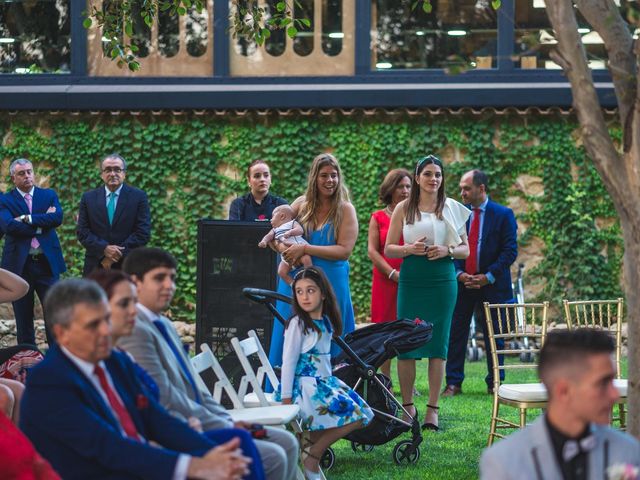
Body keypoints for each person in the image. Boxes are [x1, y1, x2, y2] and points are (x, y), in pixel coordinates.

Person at [20, 278, 253, 480]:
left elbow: (156, 419)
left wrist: (211, 454)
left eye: (106, 320)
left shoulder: (114, 361)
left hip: (134, 467)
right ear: (61, 333)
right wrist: (195, 465)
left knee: (237, 458)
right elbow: (106, 446)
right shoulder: (49, 381)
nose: (104, 331)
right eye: (93, 324)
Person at [117, 247, 298, 480]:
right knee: (273, 456)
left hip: (205, 419)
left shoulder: (163, 323)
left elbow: (197, 390)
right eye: (159, 278)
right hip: (179, 430)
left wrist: (227, 419)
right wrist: (223, 425)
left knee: (288, 442)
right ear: (135, 282)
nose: (168, 286)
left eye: (172, 278)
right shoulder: (135, 330)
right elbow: (166, 396)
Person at [89, 268, 265, 479]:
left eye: (134, 302)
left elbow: (155, 412)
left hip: (165, 439)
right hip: (137, 460)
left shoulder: (120, 359)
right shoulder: (57, 381)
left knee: (238, 444)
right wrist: (195, 464)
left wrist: (199, 432)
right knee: (242, 448)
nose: (134, 311)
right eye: (124, 304)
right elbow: (111, 445)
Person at [480, 328, 640, 479]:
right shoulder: (504, 462)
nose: (614, 394)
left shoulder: (628, 452)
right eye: (602, 383)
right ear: (563, 391)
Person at [384, 155, 470, 431]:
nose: (434, 179)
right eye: (428, 174)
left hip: (443, 279)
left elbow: (466, 249)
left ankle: (433, 409)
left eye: (438, 175)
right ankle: (408, 406)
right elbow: (388, 249)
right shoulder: (403, 208)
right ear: (418, 177)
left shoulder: (453, 208)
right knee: (406, 342)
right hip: (412, 279)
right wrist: (409, 249)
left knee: (438, 344)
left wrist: (449, 250)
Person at [276, 267, 373, 480]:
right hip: (304, 387)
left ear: (323, 293)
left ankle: (311, 457)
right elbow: (288, 363)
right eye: (299, 291)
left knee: (363, 413)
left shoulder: (325, 323)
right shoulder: (297, 324)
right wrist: (285, 400)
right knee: (354, 416)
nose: (304, 296)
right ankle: (314, 456)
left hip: (323, 382)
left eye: (310, 290)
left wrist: (332, 381)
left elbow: (324, 360)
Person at [270, 153, 358, 365]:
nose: (330, 181)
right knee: (290, 335)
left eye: (334, 175)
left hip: (331, 283)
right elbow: (277, 234)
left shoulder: (345, 209)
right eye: (324, 176)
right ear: (314, 178)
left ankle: (333, 388)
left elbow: (345, 251)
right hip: (296, 281)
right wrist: (286, 249)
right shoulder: (301, 205)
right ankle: (286, 391)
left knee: (332, 336)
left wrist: (305, 248)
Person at [443, 170, 518, 397]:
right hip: (463, 284)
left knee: (494, 335)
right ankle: (453, 383)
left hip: (493, 285)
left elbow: (509, 251)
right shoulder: (457, 214)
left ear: (481, 189)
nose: (462, 193)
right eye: (461, 188)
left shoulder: (503, 214)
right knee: (457, 333)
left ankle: (495, 382)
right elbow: (449, 247)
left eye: (466, 188)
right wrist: (458, 273)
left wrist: (488, 276)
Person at [0, 158, 66, 345]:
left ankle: (57, 360)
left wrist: (28, 218)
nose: (27, 176)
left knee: (54, 314)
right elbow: (9, 226)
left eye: (29, 172)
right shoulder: (5, 200)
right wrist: (41, 224)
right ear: (13, 178)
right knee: (23, 318)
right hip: (19, 266)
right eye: (22, 173)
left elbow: (57, 218)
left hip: (47, 264)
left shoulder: (48, 195)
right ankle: (26, 362)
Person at [367, 168, 411, 380]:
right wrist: (393, 274)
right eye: (400, 186)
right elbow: (372, 251)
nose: (405, 191)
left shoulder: (415, 215)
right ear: (390, 189)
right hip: (385, 280)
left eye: (409, 187)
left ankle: (407, 380)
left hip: (411, 279)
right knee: (384, 330)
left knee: (407, 329)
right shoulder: (378, 217)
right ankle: (385, 379)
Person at [77, 153, 151, 276]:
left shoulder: (139, 197)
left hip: (128, 266)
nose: (112, 174)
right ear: (101, 174)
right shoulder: (88, 198)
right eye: (108, 170)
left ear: (124, 173)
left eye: (117, 169)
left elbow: (143, 232)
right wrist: (104, 249)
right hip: (96, 266)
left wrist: (113, 256)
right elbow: (83, 232)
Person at [258, 204, 312, 285]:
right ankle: (293, 285)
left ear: (282, 216)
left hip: (298, 250)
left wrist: (290, 232)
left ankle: (309, 277)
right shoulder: (275, 229)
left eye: (273, 217)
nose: (271, 220)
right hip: (286, 256)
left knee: (306, 259)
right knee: (281, 272)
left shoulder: (292, 223)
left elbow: (300, 230)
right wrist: (264, 241)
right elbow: (268, 236)